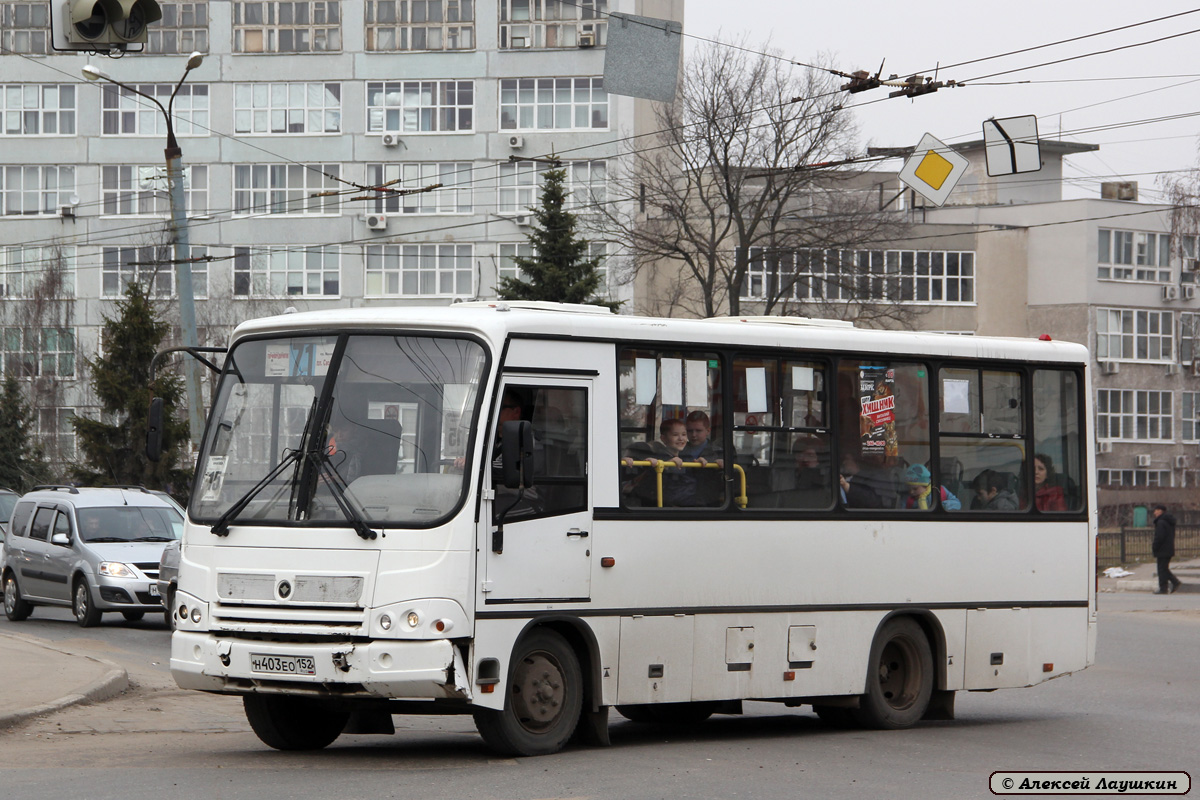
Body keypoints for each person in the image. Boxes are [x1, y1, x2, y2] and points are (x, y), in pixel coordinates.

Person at [623, 418, 698, 506]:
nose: (681, 438)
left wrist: (702, 464)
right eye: (675, 435)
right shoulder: (654, 458)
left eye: (684, 434)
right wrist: (666, 466)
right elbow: (648, 487)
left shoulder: (688, 458)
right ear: (663, 438)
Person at [1152, 504, 1181, 595]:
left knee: (1161, 569)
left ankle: (1164, 588)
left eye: (1156, 510)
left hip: (1162, 549)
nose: (1154, 513)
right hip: (1168, 548)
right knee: (1163, 568)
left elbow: (1159, 537)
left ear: (1160, 511)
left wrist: (1155, 546)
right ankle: (1174, 582)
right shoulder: (1168, 521)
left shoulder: (1161, 522)